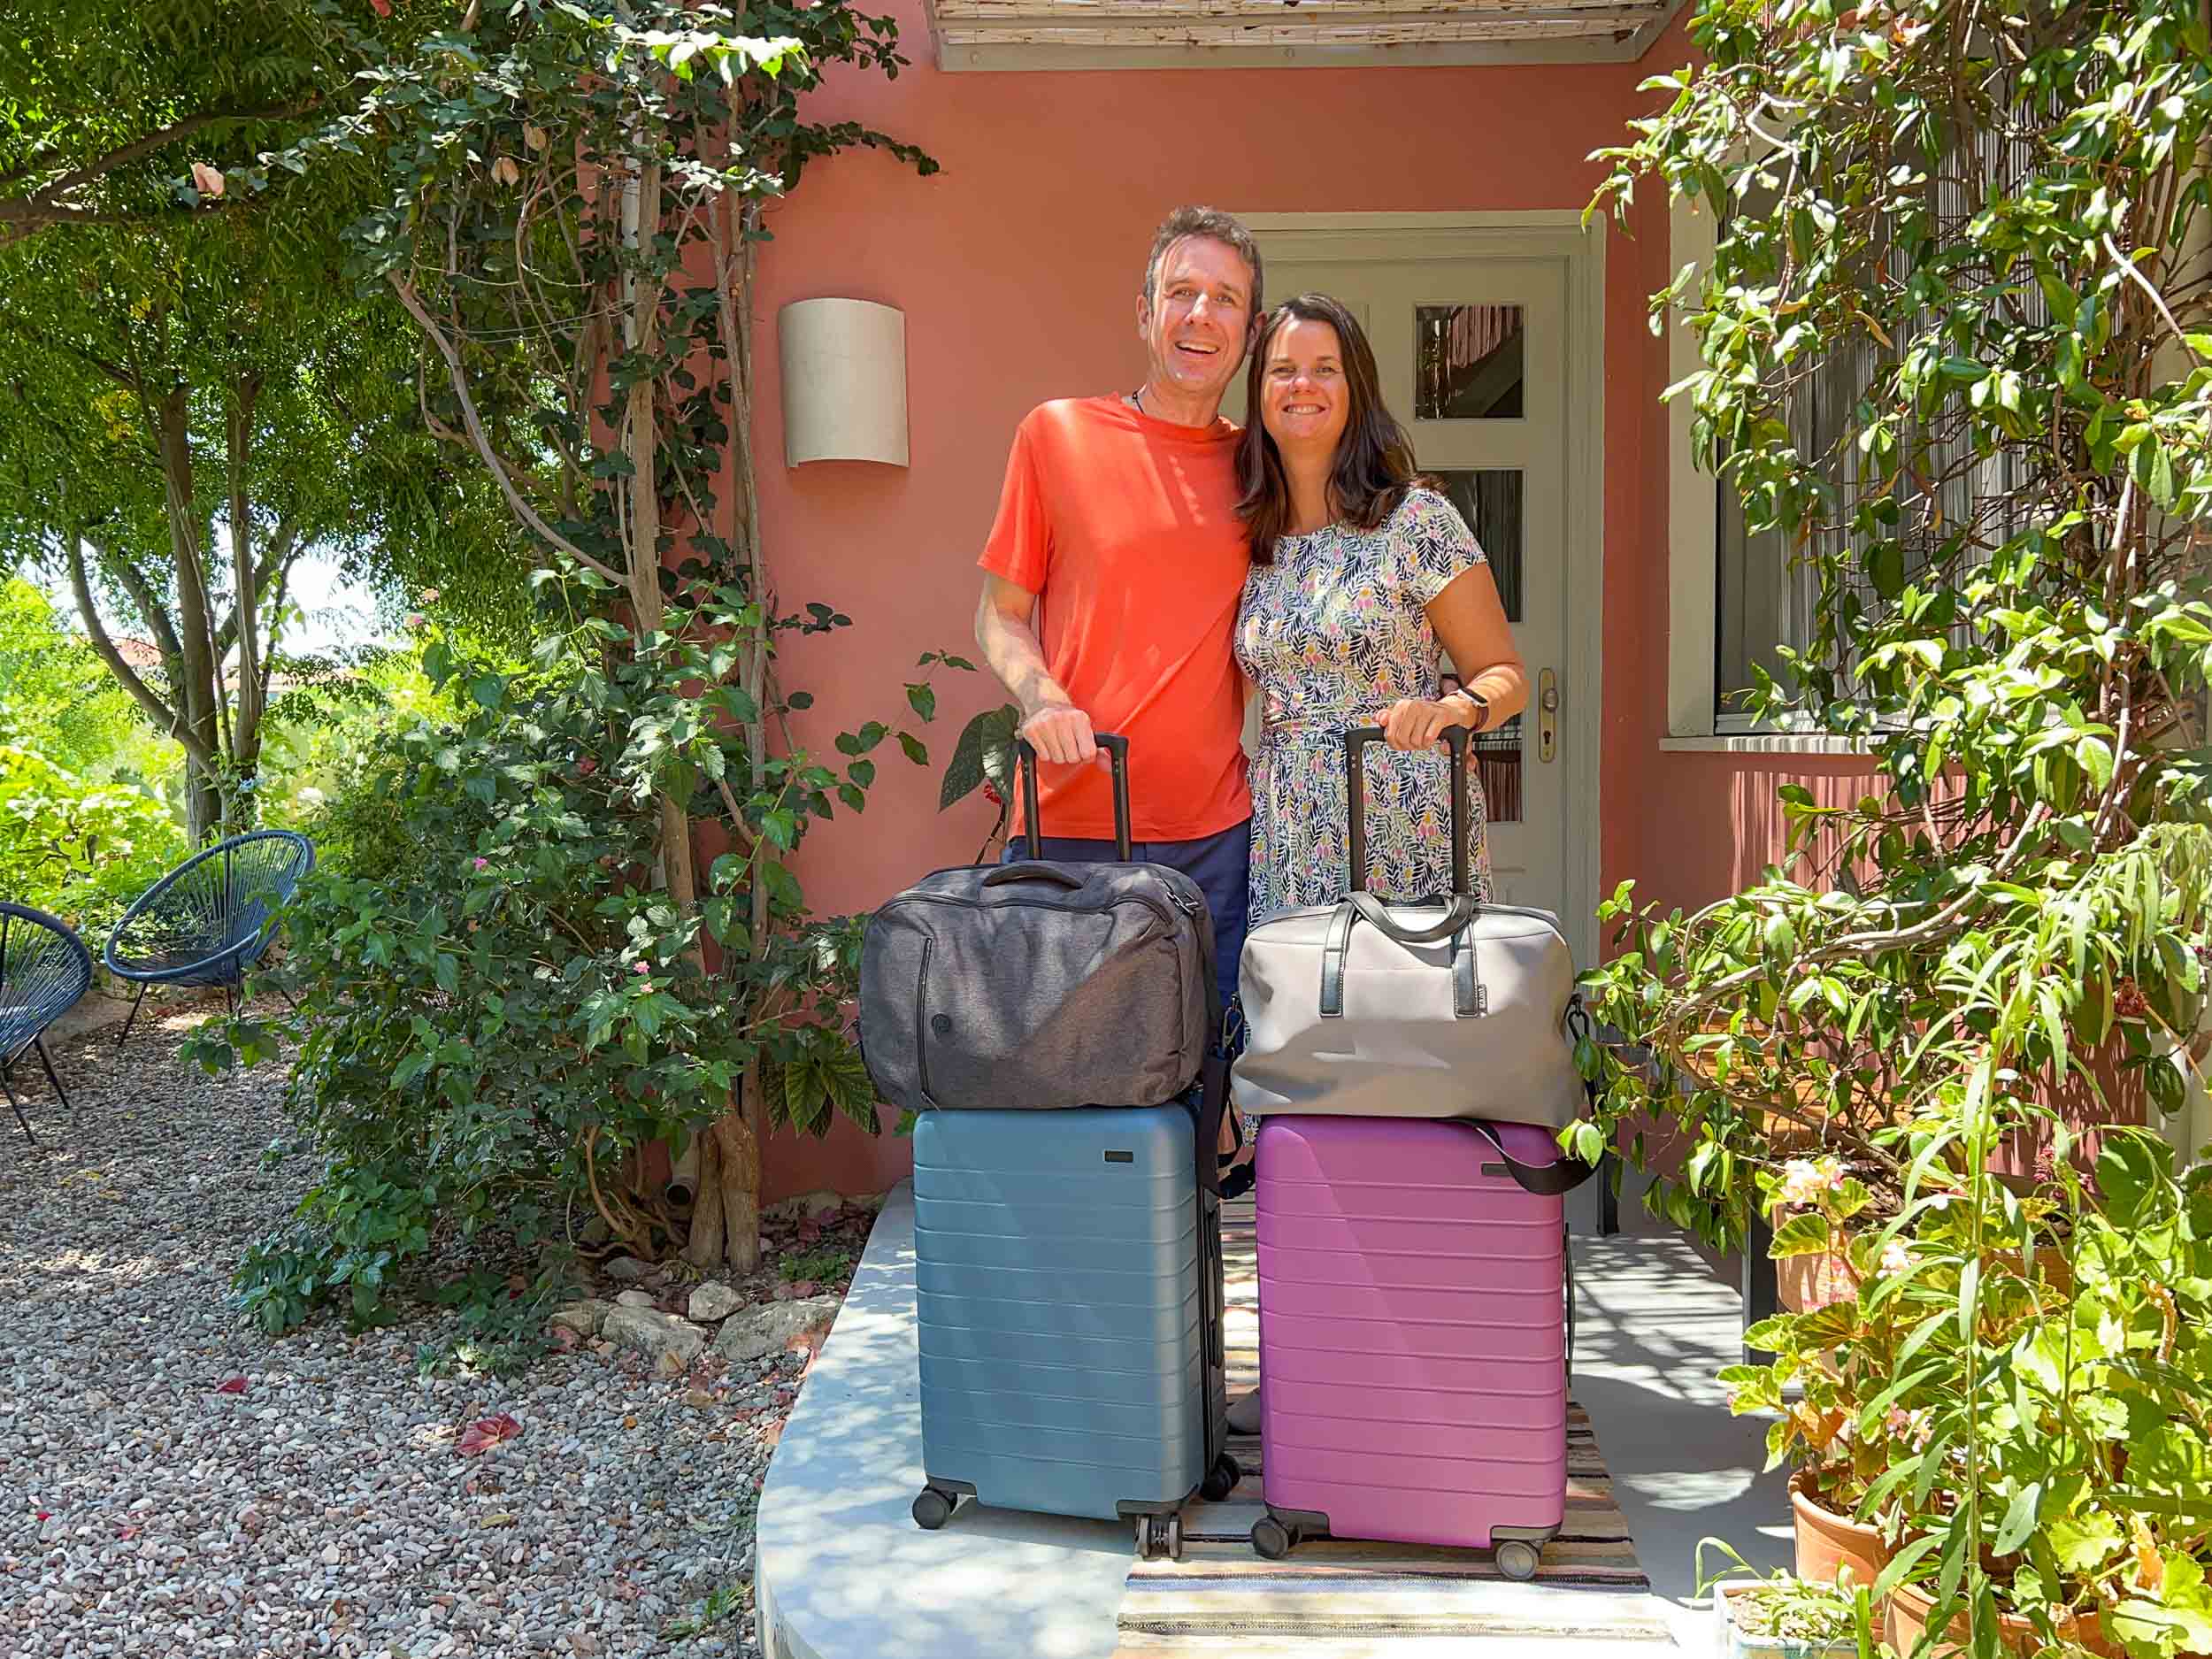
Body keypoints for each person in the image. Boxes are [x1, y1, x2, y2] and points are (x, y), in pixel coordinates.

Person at [972, 204, 1262, 1078]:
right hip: (1067, 828)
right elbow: (999, 612)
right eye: (1180, 293)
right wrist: (1041, 694)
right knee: (1064, 1090)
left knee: (1196, 1095)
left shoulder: (1264, 470)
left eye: (1224, 300)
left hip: (1213, 842)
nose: (1199, 316)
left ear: (1247, 333)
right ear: (1144, 314)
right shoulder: (1056, 435)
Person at [1234, 291, 1529, 924]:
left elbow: (1505, 674)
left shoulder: (1415, 521)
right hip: (1287, 835)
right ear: (1259, 392)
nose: (1302, 384)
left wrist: (1454, 710)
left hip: (1405, 818)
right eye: (1282, 369)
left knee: (1411, 1013)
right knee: (1299, 1014)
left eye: (1325, 368)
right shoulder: (1251, 540)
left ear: (1356, 388)